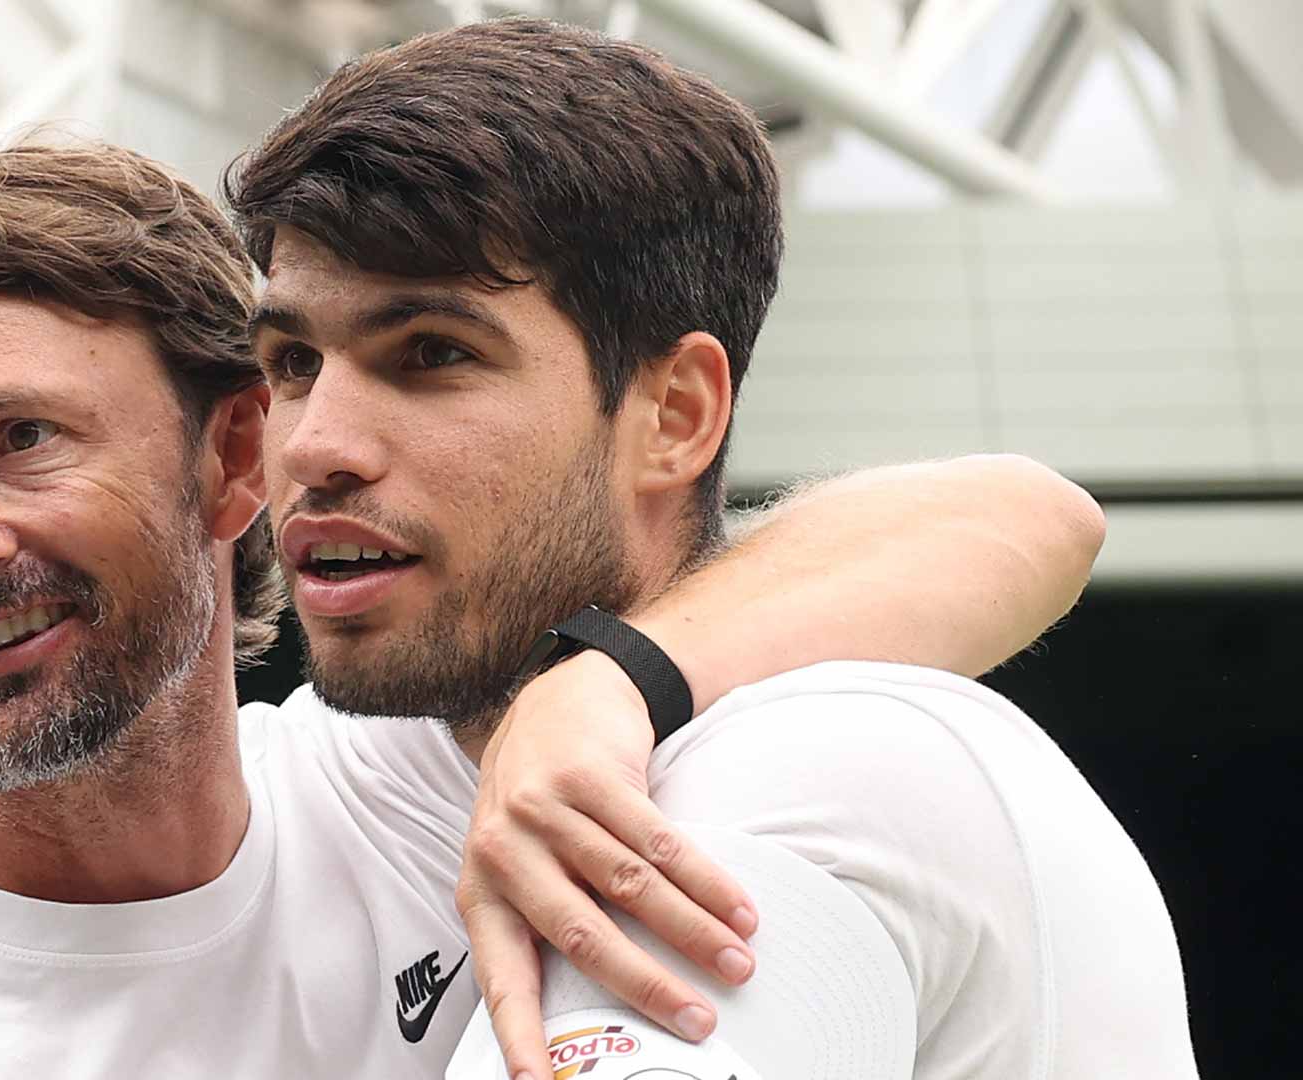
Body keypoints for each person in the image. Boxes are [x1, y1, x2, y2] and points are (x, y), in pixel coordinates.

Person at [0, 129, 1100, 1078]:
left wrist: (603, 687)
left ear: (234, 461)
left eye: (22, 441)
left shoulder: (421, 772)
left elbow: (1020, 515)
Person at [222, 16, 1198, 1080]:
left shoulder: (814, 773)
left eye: (432, 354)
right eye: (294, 359)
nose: (314, 445)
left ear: (676, 414)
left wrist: (605, 678)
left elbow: (1031, 512)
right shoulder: (257, 796)